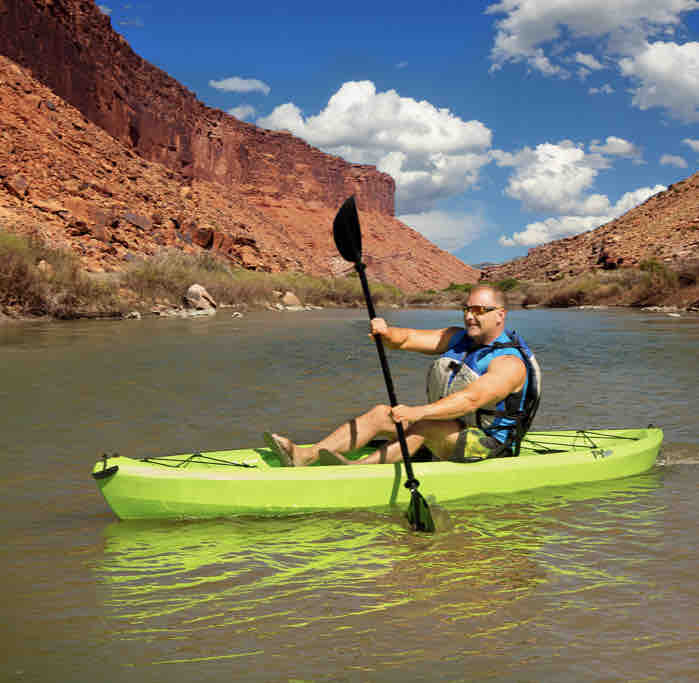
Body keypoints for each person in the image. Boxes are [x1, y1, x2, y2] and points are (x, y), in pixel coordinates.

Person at [264, 284, 540, 467]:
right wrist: (386, 333)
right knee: (380, 413)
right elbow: (406, 339)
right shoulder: (456, 338)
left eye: (479, 310)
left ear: (500, 315)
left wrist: (418, 413)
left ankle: (357, 471)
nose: (470, 316)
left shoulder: (509, 363)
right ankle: (304, 455)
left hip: (489, 448)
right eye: (467, 309)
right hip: (453, 430)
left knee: (425, 424)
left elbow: (470, 400)